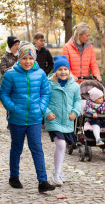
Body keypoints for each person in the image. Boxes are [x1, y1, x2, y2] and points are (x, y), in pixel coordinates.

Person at [0, 42, 55, 193]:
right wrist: (13, 108)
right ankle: (14, 177)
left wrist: (41, 108)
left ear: (35, 59)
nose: (28, 61)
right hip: (17, 119)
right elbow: (3, 93)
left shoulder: (41, 74)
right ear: (19, 58)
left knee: (37, 149)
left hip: (35, 119)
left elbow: (45, 93)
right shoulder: (11, 74)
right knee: (16, 148)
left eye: (31, 58)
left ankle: (43, 181)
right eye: (24, 58)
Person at [44, 55, 81, 186]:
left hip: (67, 121)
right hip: (54, 120)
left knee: (63, 146)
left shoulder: (75, 86)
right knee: (61, 145)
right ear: (55, 71)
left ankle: (58, 170)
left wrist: (75, 112)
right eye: (60, 69)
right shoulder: (49, 85)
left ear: (69, 70)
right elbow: (43, 101)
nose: (63, 72)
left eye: (66, 69)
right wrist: (47, 112)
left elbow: (78, 101)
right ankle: (56, 173)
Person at [0, 36, 20, 130]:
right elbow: (3, 70)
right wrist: (13, 68)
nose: (17, 46)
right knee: (10, 101)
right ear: (11, 46)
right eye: (15, 45)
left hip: (19, 83)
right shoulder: (5, 57)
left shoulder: (20, 55)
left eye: (18, 44)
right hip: (9, 83)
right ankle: (10, 121)